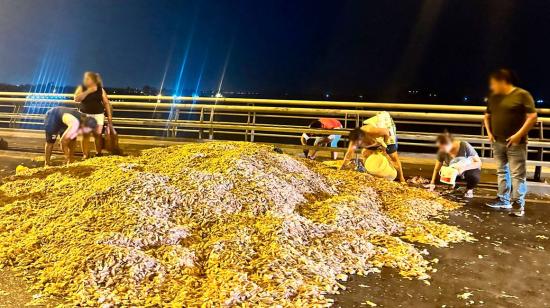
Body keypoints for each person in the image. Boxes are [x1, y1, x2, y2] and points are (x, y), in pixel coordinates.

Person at [484, 69, 538, 217]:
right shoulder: (494, 97)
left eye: (493, 83)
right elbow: (486, 116)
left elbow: (532, 117)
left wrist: (518, 135)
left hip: (516, 143)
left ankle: (518, 205)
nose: (492, 87)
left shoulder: (522, 95)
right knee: (502, 171)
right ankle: (503, 199)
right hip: (497, 141)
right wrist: (489, 133)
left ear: (503, 81)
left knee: (517, 174)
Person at [340, 112, 405, 182]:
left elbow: (386, 132)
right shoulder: (354, 139)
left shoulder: (370, 131)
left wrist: (384, 147)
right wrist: (343, 167)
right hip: (374, 141)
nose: (357, 145)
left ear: (362, 138)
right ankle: (369, 174)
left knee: (393, 156)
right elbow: (349, 154)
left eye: (359, 143)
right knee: (365, 154)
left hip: (386, 135)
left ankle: (402, 178)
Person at [428, 133, 482, 198]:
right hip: (453, 171)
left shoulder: (464, 145)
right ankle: (453, 185)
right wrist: (432, 182)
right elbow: (437, 168)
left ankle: (469, 189)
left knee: (474, 177)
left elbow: (479, 163)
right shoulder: (442, 151)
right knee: (440, 177)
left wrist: (464, 168)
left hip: (467, 169)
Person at [74, 72, 113, 158]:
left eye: (88, 78)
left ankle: (98, 153)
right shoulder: (82, 88)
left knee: (98, 135)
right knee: (86, 135)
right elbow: (76, 99)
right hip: (85, 115)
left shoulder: (100, 89)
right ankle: (85, 155)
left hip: (98, 115)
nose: (86, 80)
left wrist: (109, 116)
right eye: (86, 78)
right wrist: (88, 91)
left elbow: (106, 103)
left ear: (94, 80)